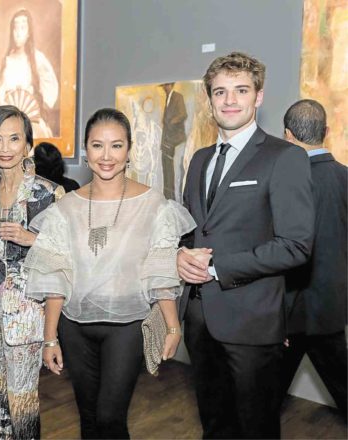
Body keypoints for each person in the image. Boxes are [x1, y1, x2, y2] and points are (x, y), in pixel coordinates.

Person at [24, 108, 195, 438]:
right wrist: (50, 337)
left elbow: (160, 269)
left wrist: (173, 326)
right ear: (86, 150)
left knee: (110, 418)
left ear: (129, 150)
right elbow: (56, 278)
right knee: (88, 418)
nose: (107, 156)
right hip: (75, 327)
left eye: (116, 145)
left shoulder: (152, 204)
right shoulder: (65, 208)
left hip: (127, 326)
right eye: (97, 145)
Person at [176, 52, 315, 439]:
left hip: (252, 323)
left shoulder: (284, 157)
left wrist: (217, 268)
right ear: (210, 99)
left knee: (256, 429)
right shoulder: (200, 159)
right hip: (199, 320)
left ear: (259, 96)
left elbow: (296, 245)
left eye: (241, 90)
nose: (230, 100)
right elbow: (190, 230)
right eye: (220, 92)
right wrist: (179, 255)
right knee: (214, 426)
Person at [0, 105, 64, 438]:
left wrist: (32, 240)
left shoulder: (48, 193)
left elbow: (68, 258)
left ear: (28, 144)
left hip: (29, 312)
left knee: (22, 404)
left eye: (14, 139)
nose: (5, 147)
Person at [281, 99, 346, 418]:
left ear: (288, 135)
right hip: (332, 307)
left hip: (289, 311)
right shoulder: (346, 178)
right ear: (327, 131)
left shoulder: (284, 182)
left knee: (262, 403)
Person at [0, 8, 58, 138]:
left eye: (22, 28)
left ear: (28, 33)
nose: (18, 33)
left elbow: (50, 83)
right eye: (15, 28)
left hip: (32, 122)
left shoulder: (37, 58)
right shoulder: (6, 62)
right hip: (7, 121)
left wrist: (37, 104)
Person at [159, 82, 187, 201]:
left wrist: (171, 123)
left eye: (165, 86)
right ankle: (168, 196)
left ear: (170, 85)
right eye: (163, 86)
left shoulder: (177, 97)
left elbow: (183, 114)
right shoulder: (168, 98)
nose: (164, 88)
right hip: (167, 139)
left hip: (175, 139)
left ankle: (172, 197)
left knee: (172, 169)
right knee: (166, 168)